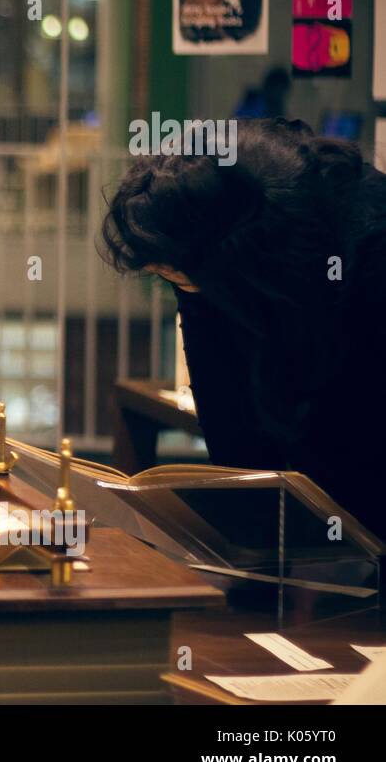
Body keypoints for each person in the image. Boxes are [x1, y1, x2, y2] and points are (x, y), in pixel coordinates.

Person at [101, 118, 386, 538]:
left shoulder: (363, 254)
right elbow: (237, 453)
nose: (172, 282)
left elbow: (347, 448)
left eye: (179, 274)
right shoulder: (212, 239)